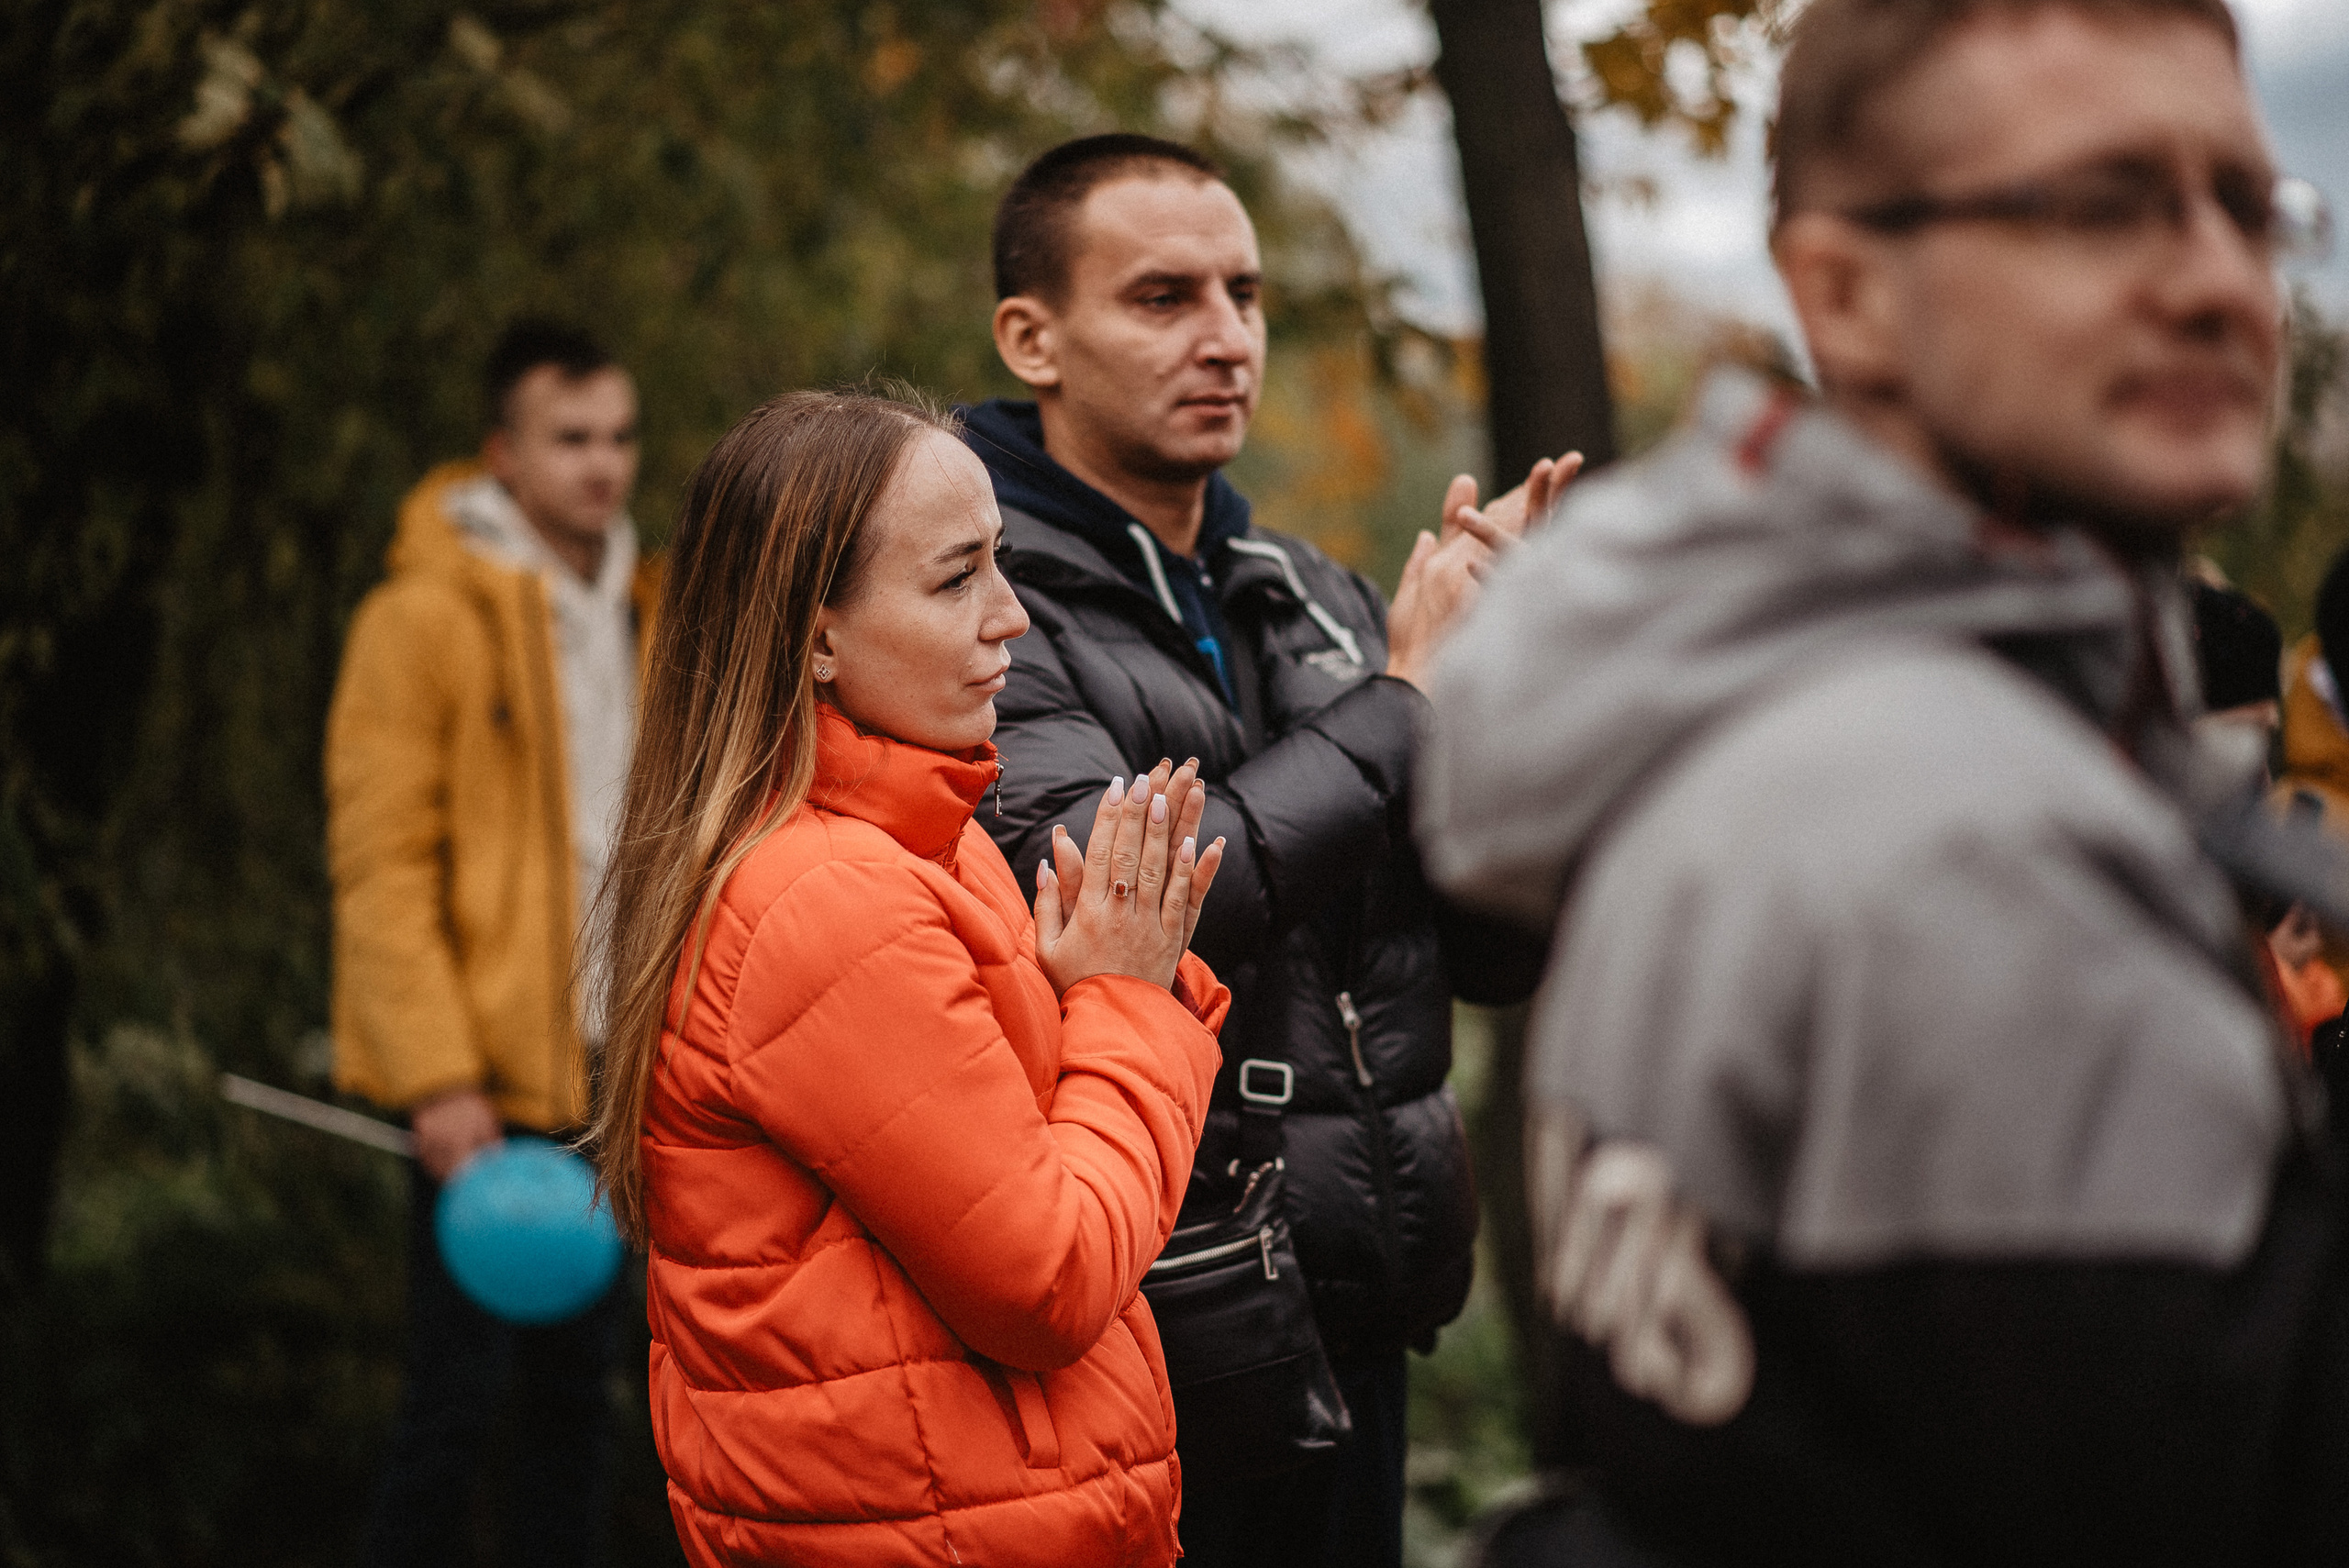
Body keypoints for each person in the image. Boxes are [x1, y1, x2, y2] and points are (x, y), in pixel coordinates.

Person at [1419, 0, 2349, 1561]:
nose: (2215, 283)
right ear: (1842, 293)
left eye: (2249, 207)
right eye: (2102, 207)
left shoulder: (1719, 696)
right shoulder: (1977, 838)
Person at [961, 133, 1570, 1568]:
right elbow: (1132, 897)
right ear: (1032, 338)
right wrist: (1410, 698)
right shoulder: (980, 610)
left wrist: (1516, 702)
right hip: (1148, 1320)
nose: (1228, 339)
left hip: (1360, 1304)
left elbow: (1490, 947)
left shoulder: (1315, 595)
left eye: (1244, 294)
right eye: (1164, 298)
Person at [584, 389, 1232, 1568]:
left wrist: (1074, 984)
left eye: (1004, 564)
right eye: (956, 580)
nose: (1013, 617)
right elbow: (1049, 1273)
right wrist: (1127, 1001)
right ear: (814, 636)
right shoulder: (826, 898)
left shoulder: (925, 840)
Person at [327, 318, 656, 1566]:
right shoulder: (420, 618)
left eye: (619, 437)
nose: (601, 466)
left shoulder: (647, 607)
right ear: (503, 454)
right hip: (479, 1080)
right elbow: (381, 862)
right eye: (570, 439)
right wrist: (436, 1074)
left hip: (612, 1069)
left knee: (585, 1405)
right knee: (453, 1405)